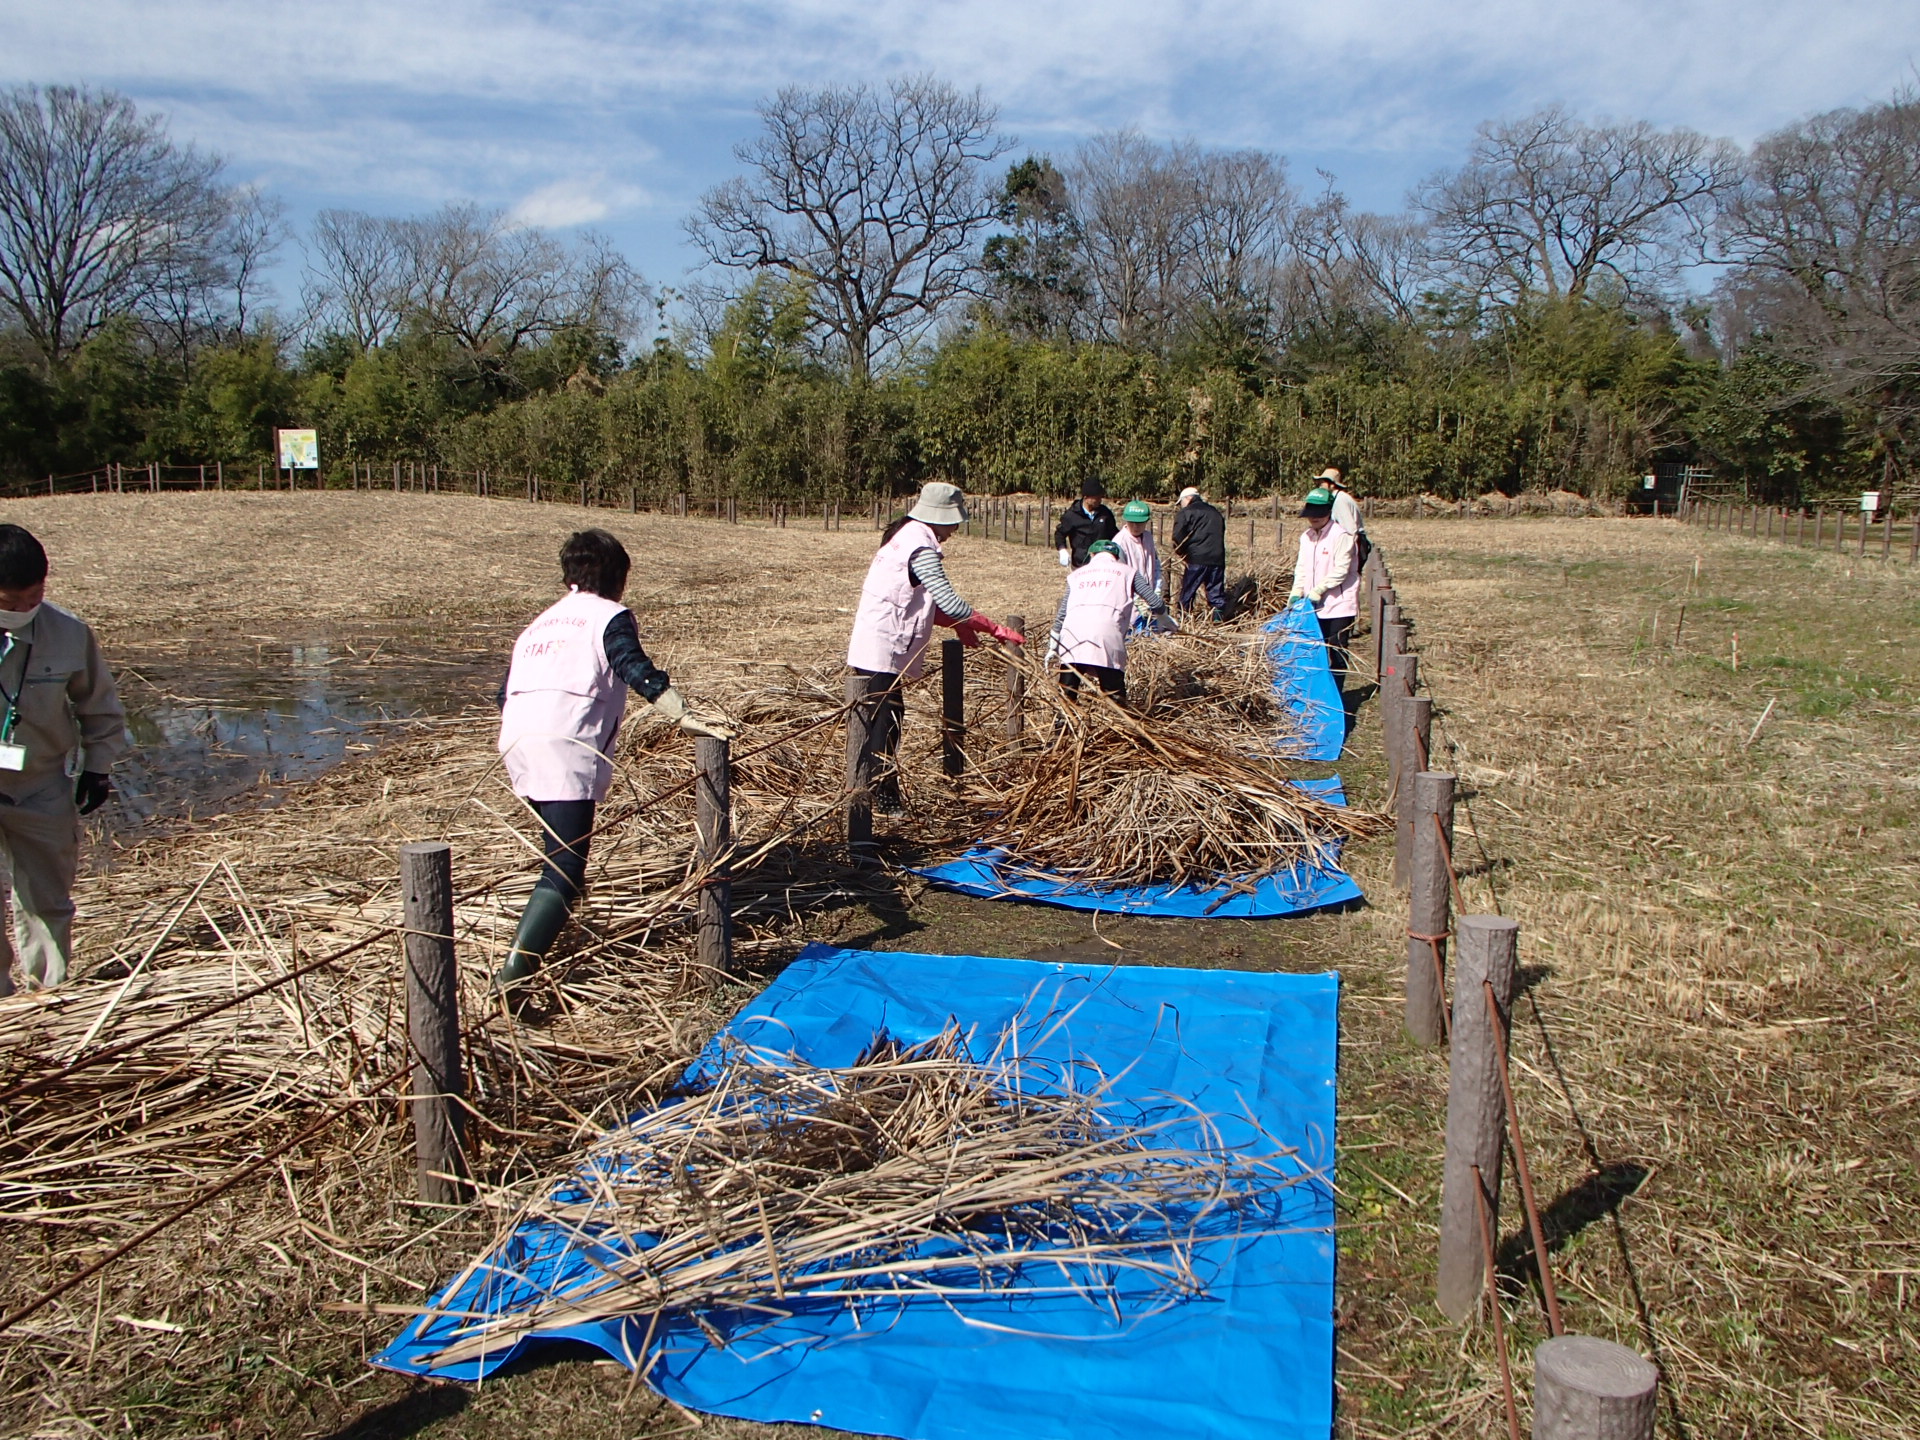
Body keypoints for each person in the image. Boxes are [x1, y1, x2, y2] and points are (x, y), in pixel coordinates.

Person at [495, 528, 727, 994]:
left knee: (558, 855)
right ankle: (511, 982)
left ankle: (544, 934)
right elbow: (634, 667)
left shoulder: (539, 624)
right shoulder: (609, 616)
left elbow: (502, 692)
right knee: (563, 869)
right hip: (566, 745)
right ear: (616, 575)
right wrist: (684, 715)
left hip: (517, 741)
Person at [0, 524, 126, 994]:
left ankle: (50, 994)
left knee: (48, 898)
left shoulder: (69, 633)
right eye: (9, 603)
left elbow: (100, 705)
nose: (22, 611)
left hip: (40, 786)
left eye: (32, 598)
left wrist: (98, 767)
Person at [847, 482, 1021, 816]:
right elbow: (950, 602)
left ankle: (879, 794)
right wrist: (990, 627)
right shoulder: (920, 547)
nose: (955, 530)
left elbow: (926, 603)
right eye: (954, 522)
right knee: (885, 722)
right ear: (939, 517)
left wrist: (959, 624)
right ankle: (878, 799)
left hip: (881, 640)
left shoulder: (907, 536)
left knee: (886, 718)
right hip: (883, 645)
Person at [1049, 539, 1173, 704]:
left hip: (1072, 637)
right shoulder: (1128, 572)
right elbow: (1155, 602)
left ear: (1092, 555)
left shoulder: (1076, 575)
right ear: (1117, 556)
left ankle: (1061, 727)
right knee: (1114, 697)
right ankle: (1119, 726)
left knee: (1066, 698)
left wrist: (1053, 645)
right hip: (1107, 637)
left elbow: (1062, 614)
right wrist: (1164, 618)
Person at [1290, 487, 1360, 686]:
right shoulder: (1306, 537)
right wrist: (1297, 591)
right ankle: (1318, 690)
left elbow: (1341, 570)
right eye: (1311, 514)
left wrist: (1319, 589)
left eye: (1318, 514)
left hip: (1338, 604)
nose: (1314, 519)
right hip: (1312, 605)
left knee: (1337, 649)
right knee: (1314, 650)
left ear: (1329, 511)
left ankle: (1337, 691)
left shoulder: (1342, 536)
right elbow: (1302, 567)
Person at [1170, 486, 1228, 621]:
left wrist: (1181, 552)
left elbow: (1178, 536)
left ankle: (1184, 621)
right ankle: (1218, 623)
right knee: (1216, 594)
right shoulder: (1215, 513)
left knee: (1188, 592)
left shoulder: (1186, 513)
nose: (1181, 506)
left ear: (1188, 498)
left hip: (1196, 559)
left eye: (1181, 502)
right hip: (1217, 559)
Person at [1053, 478, 1118, 569]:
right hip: (1080, 564)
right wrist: (1062, 550)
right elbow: (1060, 533)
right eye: (1096, 497)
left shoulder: (1105, 514)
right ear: (1086, 498)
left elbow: (1114, 534)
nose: (1100, 500)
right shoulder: (1072, 515)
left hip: (1102, 564)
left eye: (1100, 497)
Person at [1114, 499, 1163, 615]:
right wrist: (1138, 600)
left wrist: (1157, 589)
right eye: (1132, 522)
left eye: (1140, 523)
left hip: (1149, 598)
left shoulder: (1148, 537)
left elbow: (1155, 564)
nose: (1136, 526)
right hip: (1130, 602)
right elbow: (1120, 575)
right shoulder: (1120, 542)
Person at [1317, 465, 1371, 570]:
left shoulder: (1340, 501)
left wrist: (1346, 554)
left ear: (1332, 485)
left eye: (1322, 482)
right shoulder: (1338, 498)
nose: (1320, 486)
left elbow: (1350, 529)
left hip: (1353, 544)